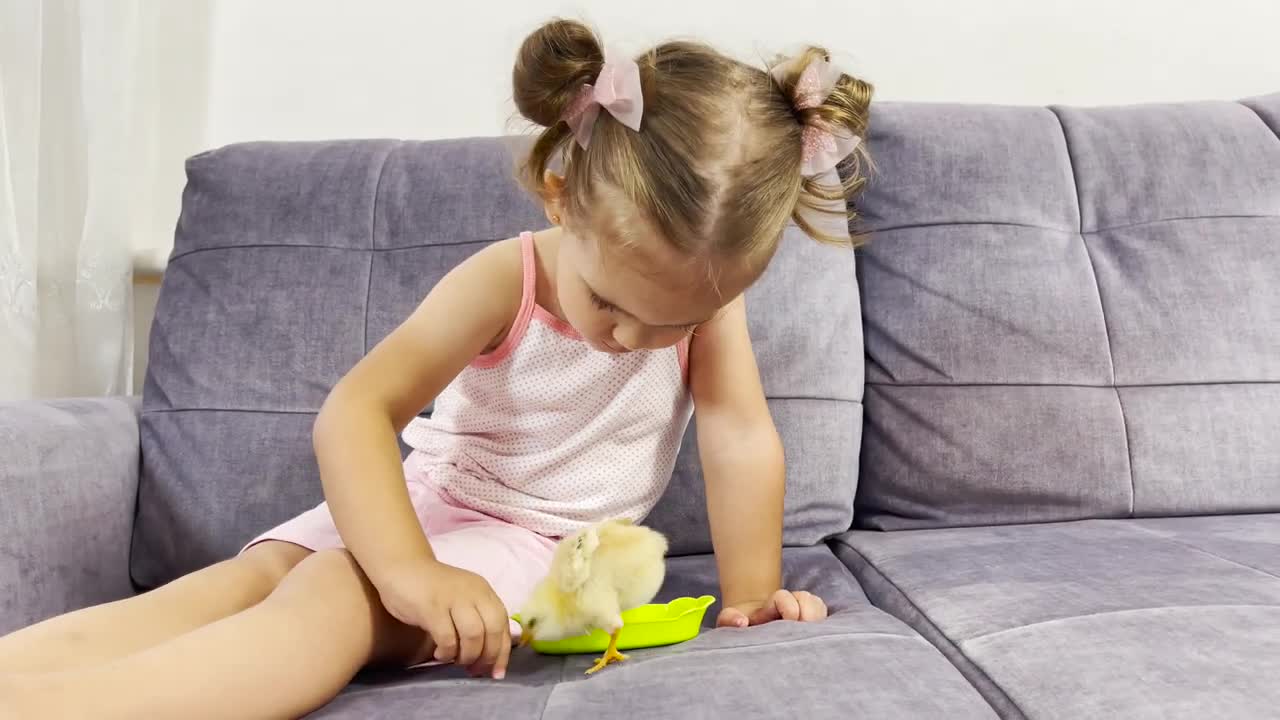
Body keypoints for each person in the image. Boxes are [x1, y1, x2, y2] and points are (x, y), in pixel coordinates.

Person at [0, 19, 872, 719]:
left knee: (333, 598)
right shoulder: (509, 278)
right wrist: (412, 566)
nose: (631, 340)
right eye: (610, 305)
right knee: (246, 580)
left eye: (669, 322)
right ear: (561, 198)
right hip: (423, 504)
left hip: (537, 544)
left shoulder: (709, 304)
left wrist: (752, 593)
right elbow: (357, 411)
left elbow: (738, 433)